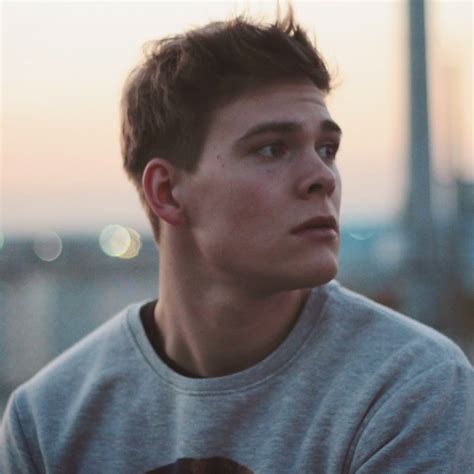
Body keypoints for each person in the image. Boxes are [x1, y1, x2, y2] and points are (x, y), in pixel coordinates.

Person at [1, 7, 473, 474]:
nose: (323, 177)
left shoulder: (412, 389)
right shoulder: (48, 422)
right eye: (272, 148)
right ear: (167, 192)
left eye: (327, 149)